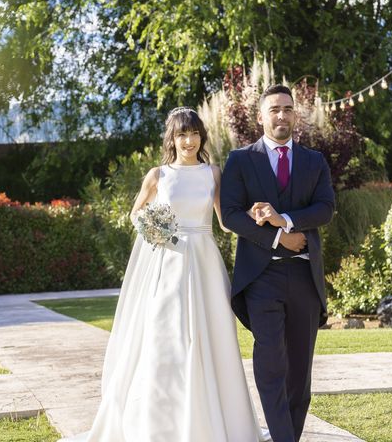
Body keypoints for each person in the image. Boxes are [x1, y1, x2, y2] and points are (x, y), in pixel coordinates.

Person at [60, 107, 270, 442]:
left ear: (202, 136)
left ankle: (213, 421)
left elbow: (225, 219)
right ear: (171, 138)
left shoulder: (213, 173)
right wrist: (154, 230)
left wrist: (255, 217)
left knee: (210, 335)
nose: (189, 141)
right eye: (181, 134)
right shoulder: (158, 175)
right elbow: (136, 214)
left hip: (203, 260)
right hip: (168, 262)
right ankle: (161, 426)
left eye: (194, 133)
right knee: (166, 336)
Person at [220, 84, 336, 442]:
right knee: (271, 362)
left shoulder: (314, 161)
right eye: (274, 109)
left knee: (299, 372)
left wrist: (284, 219)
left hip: (304, 275)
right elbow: (231, 214)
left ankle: (288, 436)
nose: (281, 115)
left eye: (287, 109)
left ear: (295, 115)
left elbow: (325, 209)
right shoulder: (241, 160)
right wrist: (276, 237)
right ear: (261, 116)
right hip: (262, 277)